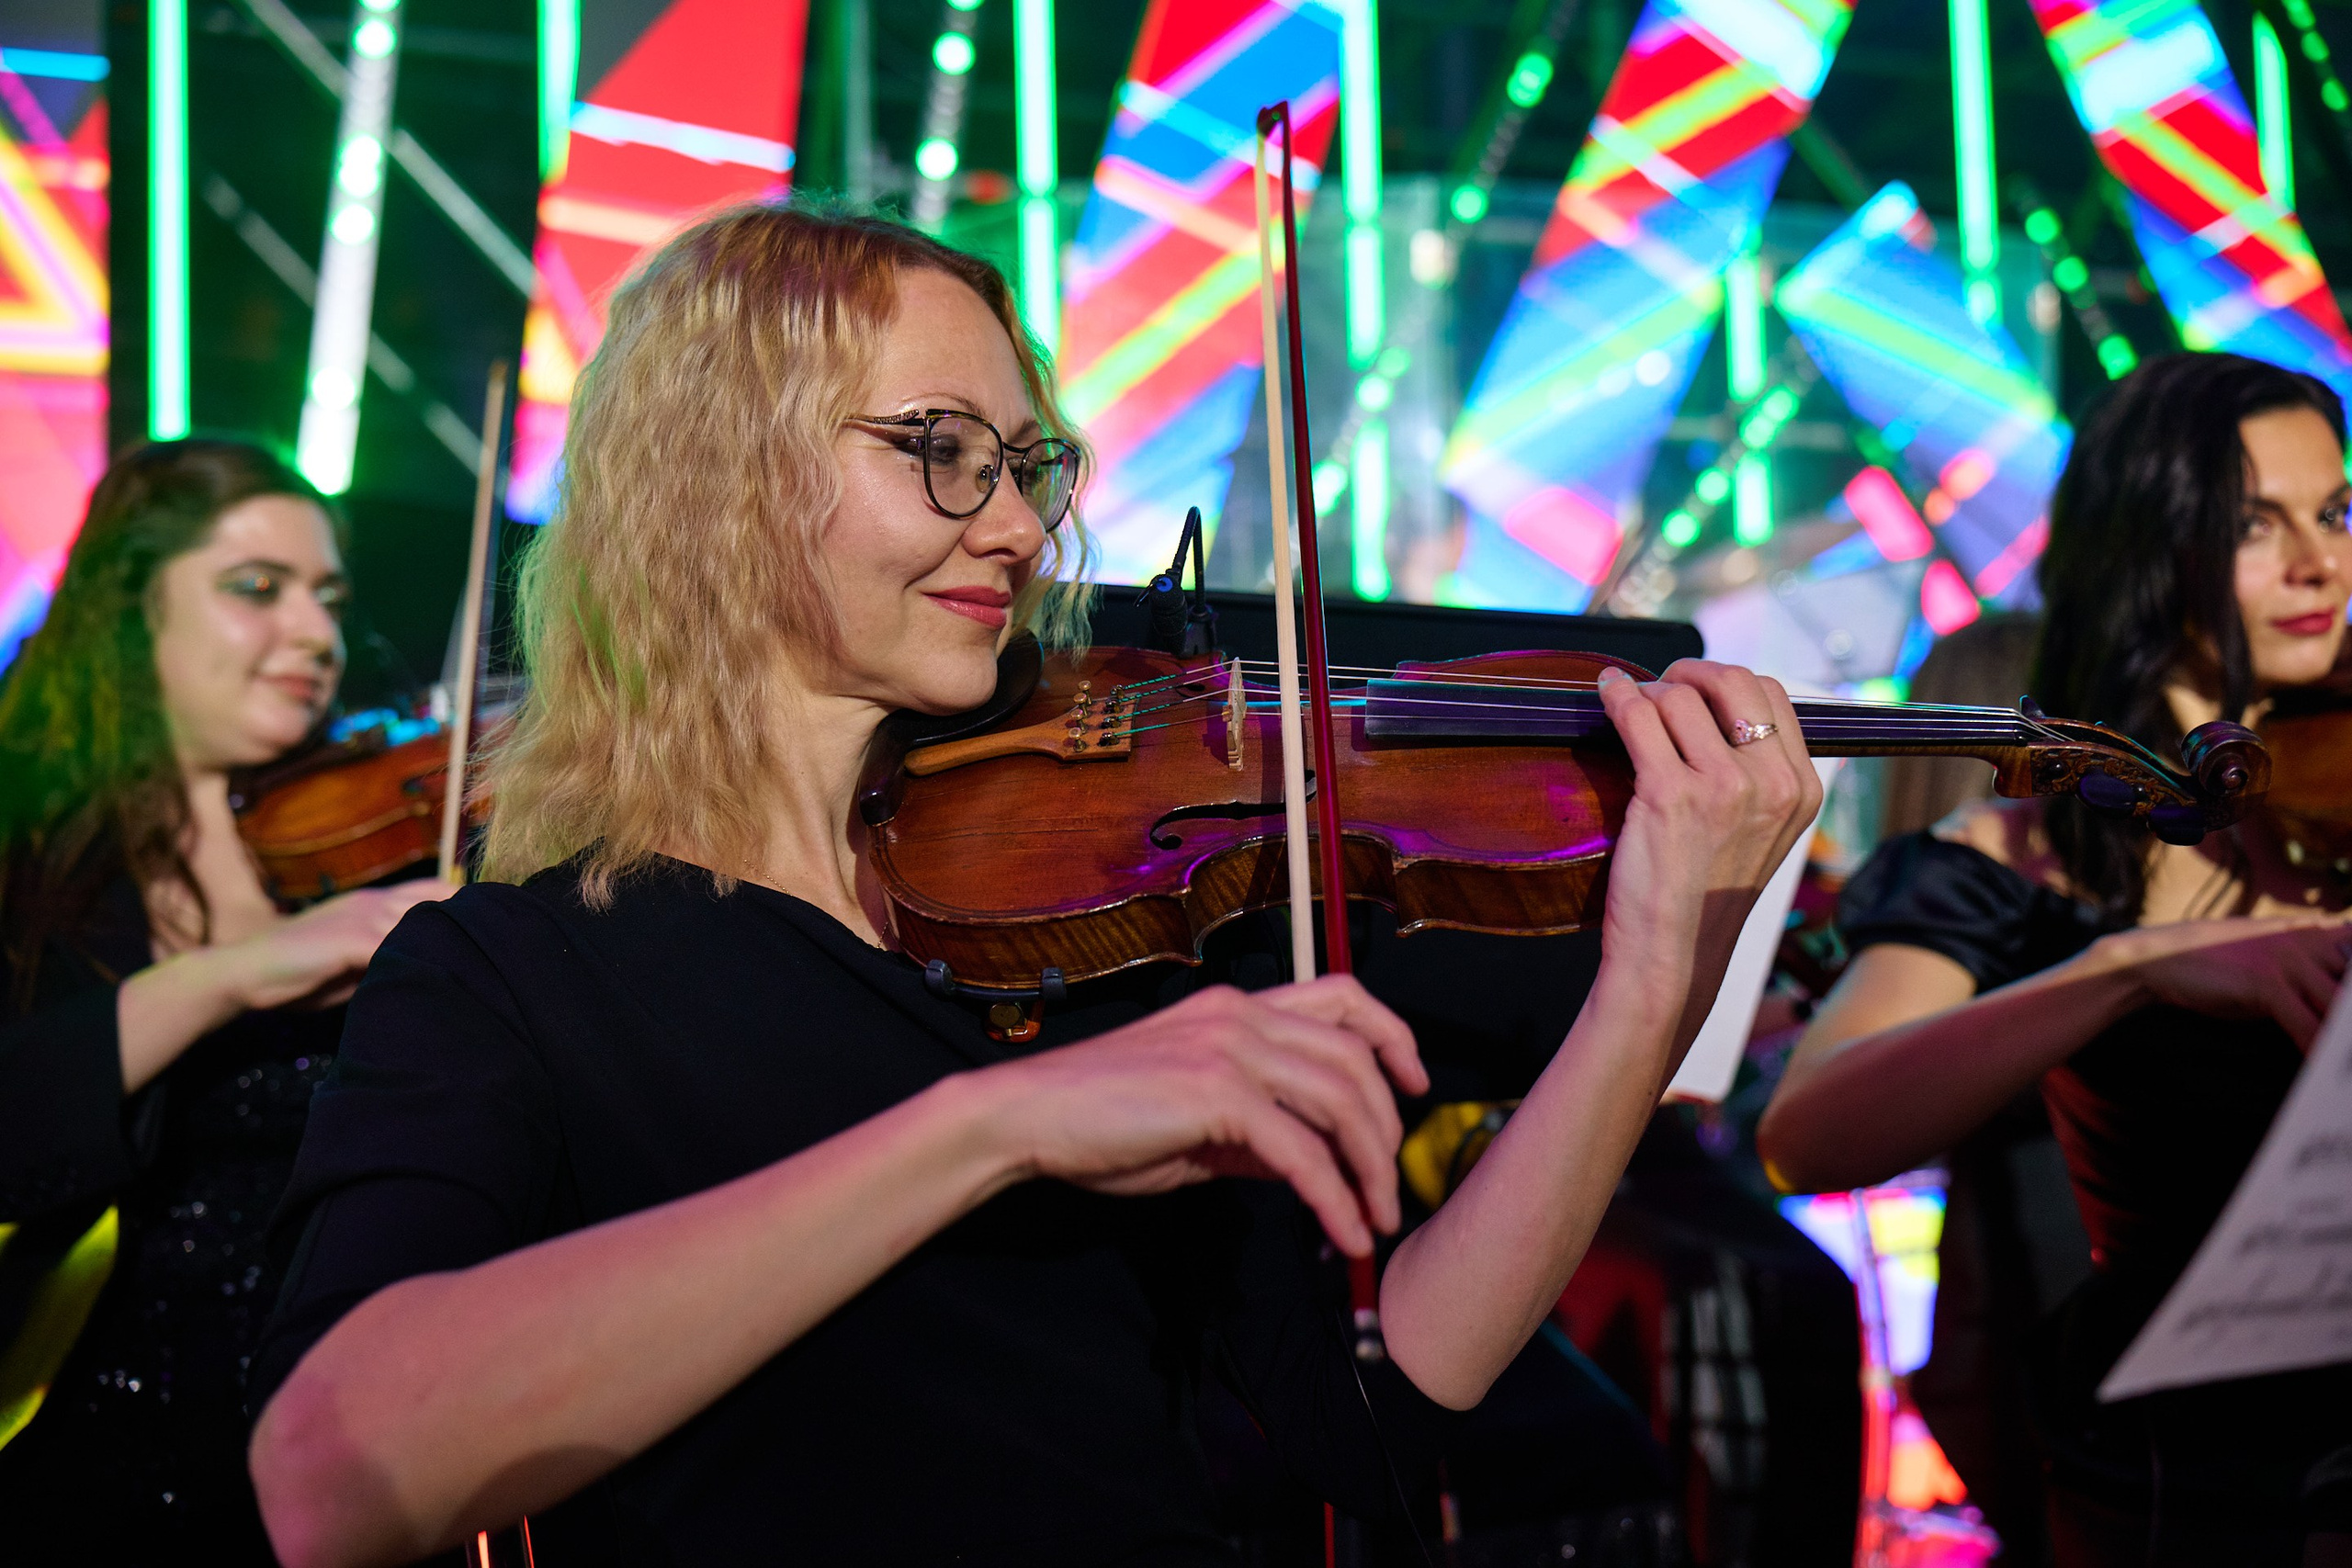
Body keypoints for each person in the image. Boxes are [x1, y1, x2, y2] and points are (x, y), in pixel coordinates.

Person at [241, 205, 1821, 1568]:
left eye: (1023, 462)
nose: (1012, 523)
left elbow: (1384, 1391)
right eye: (940, 453)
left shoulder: (1089, 929)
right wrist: (986, 1129)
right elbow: (331, 1477)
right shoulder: (512, 972)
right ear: (717, 481)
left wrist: (1647, 977)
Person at [1758, 352, 2352, 1564]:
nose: (2320, 563)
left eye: (2337, 512)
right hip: (2194, 1483)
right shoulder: (2028, 862)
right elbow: (1808, 1130)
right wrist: (2123, 965)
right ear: (2147, 546)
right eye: (2255, 526)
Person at [0, 440, 453, 1559]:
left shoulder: (385, 840)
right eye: (258, 590)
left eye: (329, 600)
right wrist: (237, 971)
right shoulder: (29, 859)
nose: (314, 635)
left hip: (359, 1461)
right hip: (92, 1456)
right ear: (129, 612)